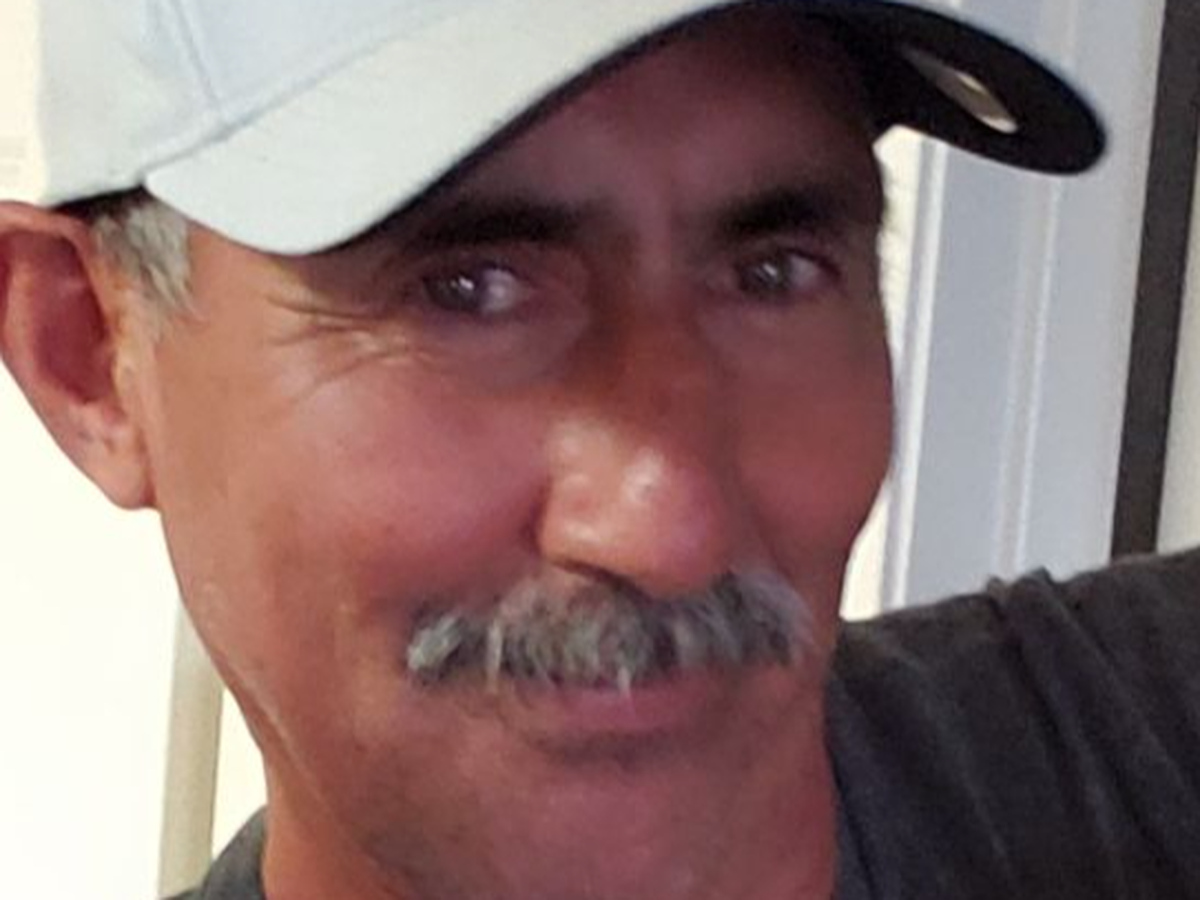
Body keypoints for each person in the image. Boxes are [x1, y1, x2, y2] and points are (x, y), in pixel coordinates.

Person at [3, 2, 1195, 899]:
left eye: (773, 274)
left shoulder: (1142, 750)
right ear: (90, 353)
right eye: (469, 290)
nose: (670, 526)